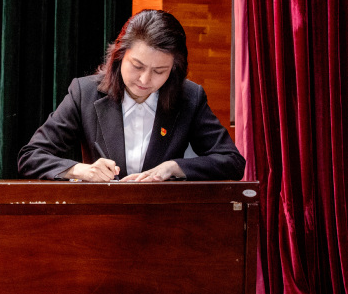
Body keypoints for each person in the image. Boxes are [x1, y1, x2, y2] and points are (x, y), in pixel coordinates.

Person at [18, 9, 245, 182]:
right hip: (101, 216)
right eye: (137, 66)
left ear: (174, 69)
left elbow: (232, 161)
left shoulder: (189, 97)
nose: (145, 80)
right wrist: (81, 170)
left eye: (159, 71)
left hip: (165, 218)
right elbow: (31, 156)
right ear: (119, 56)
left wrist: (175, 167)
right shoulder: (85, 93)